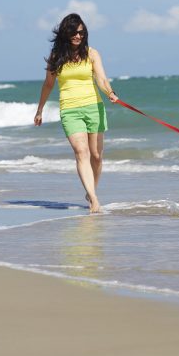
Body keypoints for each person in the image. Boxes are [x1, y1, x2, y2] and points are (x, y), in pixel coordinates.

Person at [34, 13, 118, 214]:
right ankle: (94, 200)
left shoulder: (92, 53)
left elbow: (101, 78)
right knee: (81, 152)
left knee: (96, 156)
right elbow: (48, 85)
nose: (78, 36)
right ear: (66, 33)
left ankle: (91, 191)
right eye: (74, 32)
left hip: (94, 107)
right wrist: (40, 110)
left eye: (81, 32)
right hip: (70, 110)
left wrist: (110, 92)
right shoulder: (56, 57)